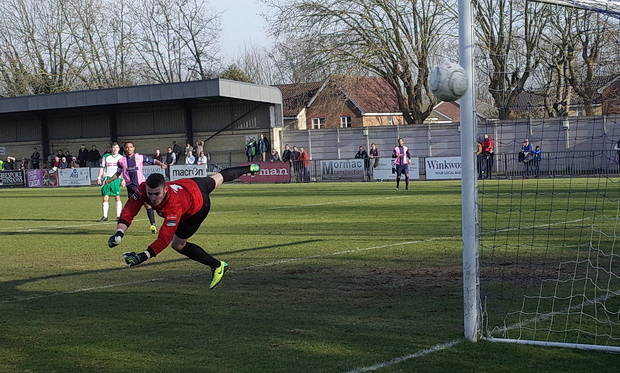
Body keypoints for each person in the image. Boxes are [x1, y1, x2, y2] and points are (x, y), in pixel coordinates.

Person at [107, 164, 261, 289]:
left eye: (157, 194)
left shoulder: (173, 208)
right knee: (219, 178)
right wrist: (119, 233)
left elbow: (164, 238)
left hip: (198, 207)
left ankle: (217, 265)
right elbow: (130, 208)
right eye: (150, 194)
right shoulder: (143, 189)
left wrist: (142, 256)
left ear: (165, 189)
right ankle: (251, 168)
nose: (153, 198)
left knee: (178, 244)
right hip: (190, 184)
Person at [106, 141, 167, 234]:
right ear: (124, 149)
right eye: (127, 147)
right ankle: (122, 227)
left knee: (148, 205)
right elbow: (118, 173)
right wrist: (109, 180)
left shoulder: (140, 157)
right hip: (130, 187)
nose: (129, 149)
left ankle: (153, 225)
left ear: (134, 148)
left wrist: (161, 164)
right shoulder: (121, 161)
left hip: (141, 186)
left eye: (130, 147)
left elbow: (152, 161)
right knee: (131, 208)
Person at [97, 142, 124, 222]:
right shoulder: (106, 157)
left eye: (116, 147)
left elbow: (124, 170)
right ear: (111, 148)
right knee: (105, 197)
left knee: (117, 197)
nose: (115, 149)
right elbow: (102, 167)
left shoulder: (121, 158)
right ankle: (105, 216)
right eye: (114, 147)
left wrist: (124, 180)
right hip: (107, 178)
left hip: (116, 178)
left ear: (119, 149)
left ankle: (118, 216)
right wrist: (99, 177)